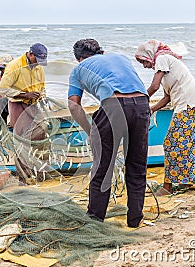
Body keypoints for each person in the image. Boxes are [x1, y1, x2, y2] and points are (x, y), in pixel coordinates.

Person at [68, 38, 150, 228]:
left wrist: (90, 131)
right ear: (101, 52)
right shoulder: (121, 57)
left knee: (102, 168)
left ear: (79, 58)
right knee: (137, 166)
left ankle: (96, 221)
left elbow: (73, 105)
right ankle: (135, 219)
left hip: (114, 105)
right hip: (142, 104)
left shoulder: (79, 69)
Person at [135, 39, 195, 196]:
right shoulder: (165, 65)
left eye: (143, 61)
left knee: (170, 144)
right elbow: (167, 97)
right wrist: (151, 109)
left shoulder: (162, 58)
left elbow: (154, 87)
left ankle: (168, 187)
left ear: (149, 55)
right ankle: (187, 181)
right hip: (189, 105)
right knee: (186, 145)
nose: (144, 66)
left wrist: (137, 100)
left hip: (187, 106)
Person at [0, 43, 48, 183]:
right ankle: (24, 177)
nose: (39, 63)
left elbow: (43, 86)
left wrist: (42, 96)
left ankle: (40, 173)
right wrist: (24, 95)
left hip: (34, 105)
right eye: (37, 59)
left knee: (42, 133)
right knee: (21, 141)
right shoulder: (14, 66)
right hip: (18, 104)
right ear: (30, 54)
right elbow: (3, 89)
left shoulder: (38, 68)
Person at [0, 54, 14, 124]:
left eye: (4, 68)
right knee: (1, 102)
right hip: (8, 103)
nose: (2, 70)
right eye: (1, 69)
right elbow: (1, 97)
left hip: (19, 103)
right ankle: (3, 124)